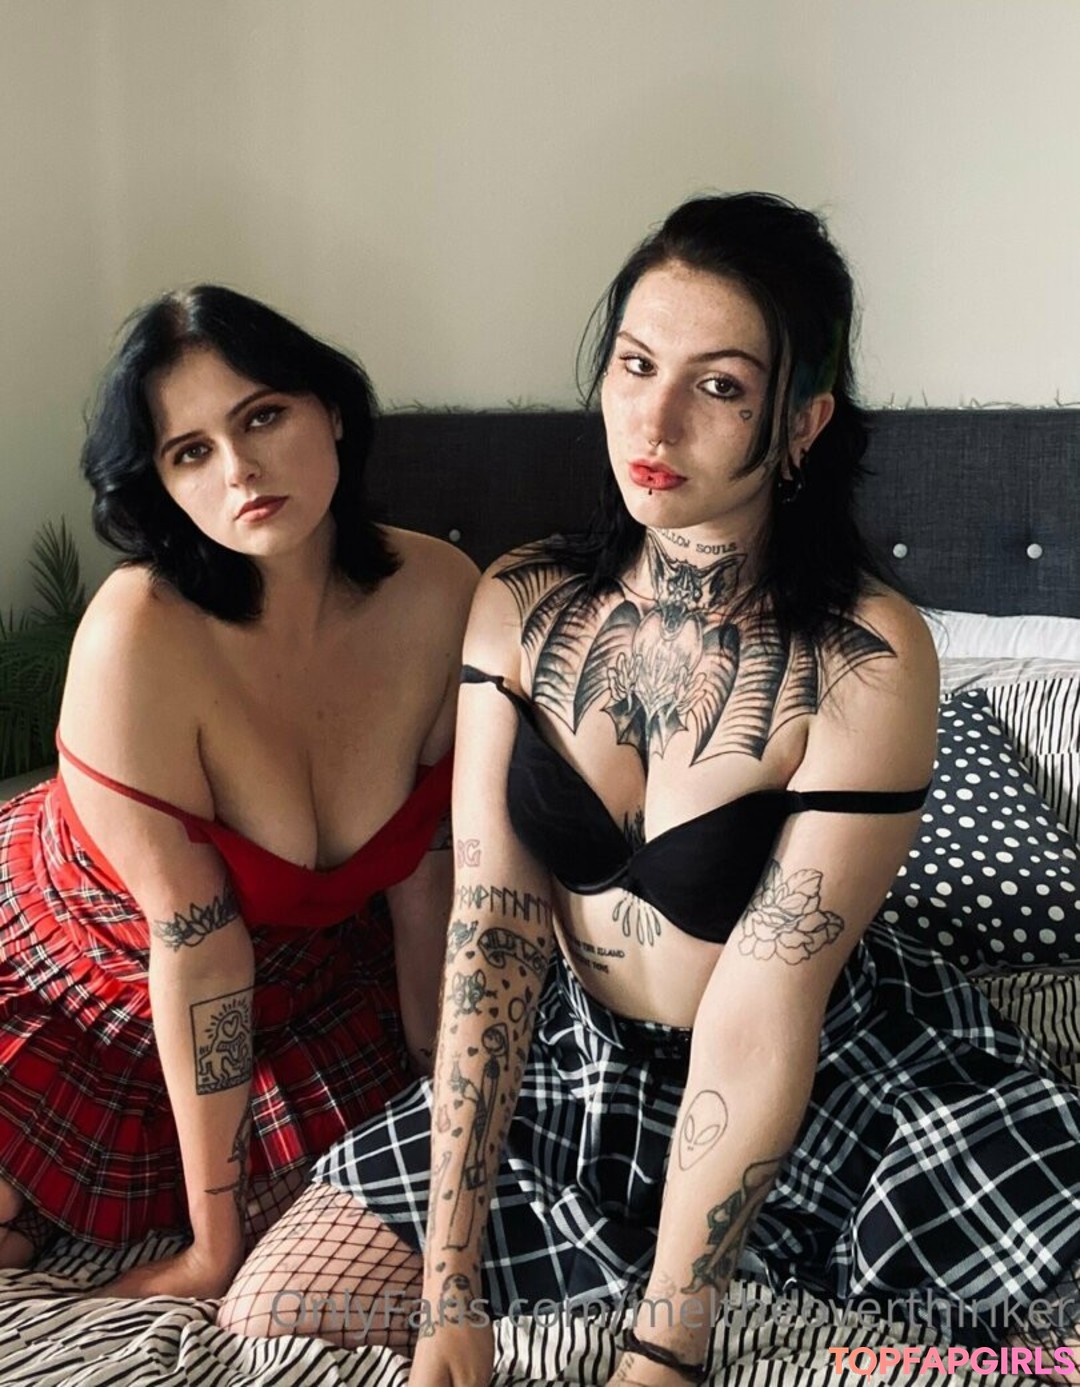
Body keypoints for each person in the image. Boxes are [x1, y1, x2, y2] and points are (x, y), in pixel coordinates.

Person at [219, 196, 1080, 1382]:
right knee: (276, 1303)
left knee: (1023, 1318)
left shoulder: (865, 656)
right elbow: (493, 934)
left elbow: (762, 1012)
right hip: (572, 1065)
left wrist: (665, 1347)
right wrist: (447, 1291)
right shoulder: (521, 602)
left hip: (820, 1067)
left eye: (718, 386)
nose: (654, 420)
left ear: (803, 421)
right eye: (634, 365)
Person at [0, 285, 478, 1299]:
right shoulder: (140, 633)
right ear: (161, 484)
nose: (239, 470)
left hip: (304, 985)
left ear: (331, 411)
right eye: (190, 451)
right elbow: (199, 951)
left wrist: (447, 1098)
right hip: (74, 976)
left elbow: (427, 882)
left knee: (333, 1215)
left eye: (262, 416)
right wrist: (209, 1253)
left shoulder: (442, 593)